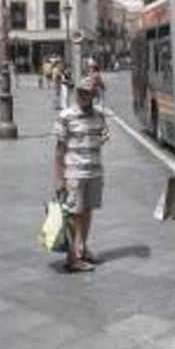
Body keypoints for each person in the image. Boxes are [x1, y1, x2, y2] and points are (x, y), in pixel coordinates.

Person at [53, 76, 110, 273]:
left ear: (94, 95)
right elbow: (59, 150)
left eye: (88, 93)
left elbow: (102, 134)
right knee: (73, 214)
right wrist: (59, 178)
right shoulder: (66, 115)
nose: (83, 96)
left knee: (87, 211)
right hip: (74, 172)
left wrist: (104, 136)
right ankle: (72, 257)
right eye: (81, 92)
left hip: (94, 171)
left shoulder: (99, 115)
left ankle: (82, 248)